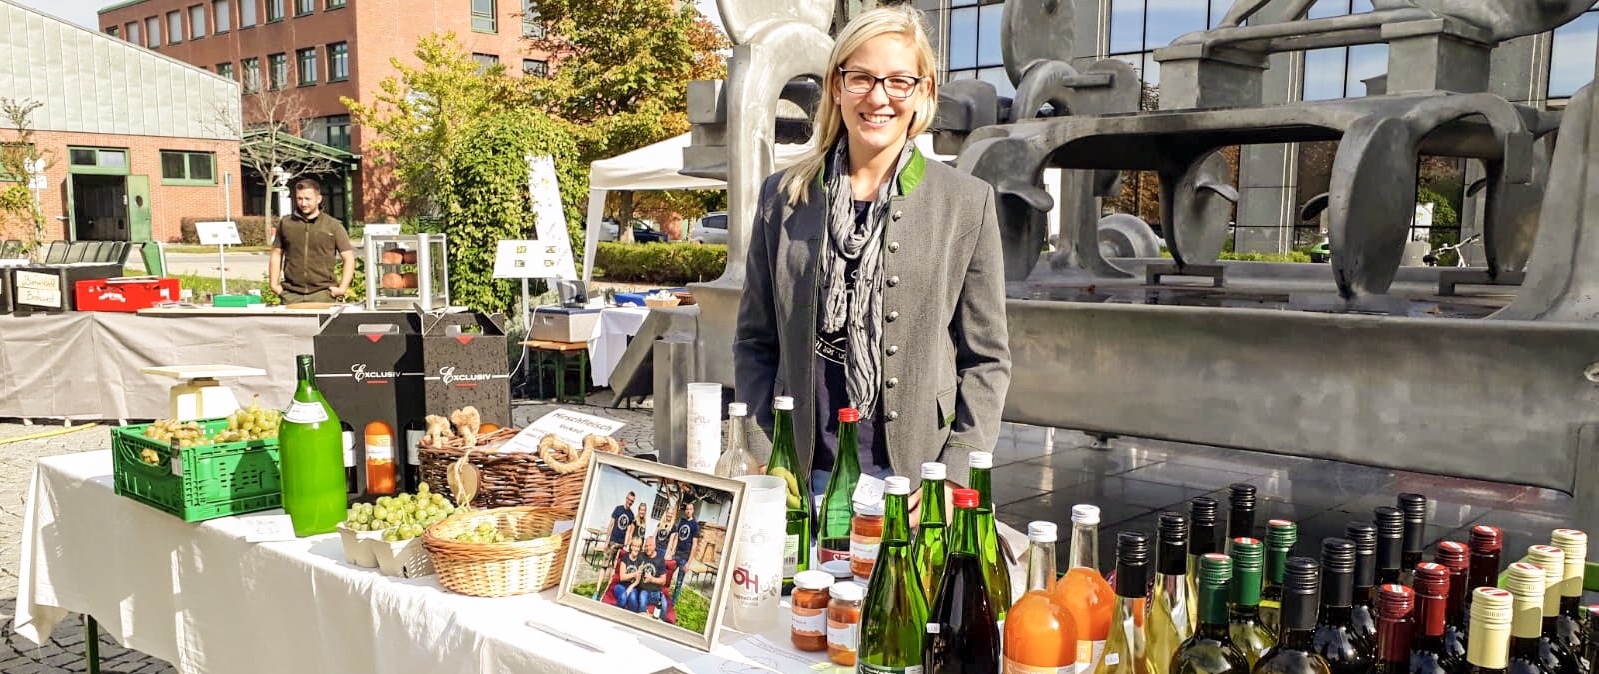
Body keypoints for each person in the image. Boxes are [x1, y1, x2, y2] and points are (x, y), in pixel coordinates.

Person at [733, 6, 1011, 501]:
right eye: (860, 77)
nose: (879, 97)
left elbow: (986, 360)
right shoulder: (784, 196)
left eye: (899, 81)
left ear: (923, 91)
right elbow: (756, 341)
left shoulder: (966, 203)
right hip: (802, 470)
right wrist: (761, 447)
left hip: (918, 478)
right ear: (836, 87)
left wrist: (955, 476)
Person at [268, 178, 355, 304]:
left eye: (308, 199)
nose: (303, 203)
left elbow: (349, 258)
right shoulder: (286, 223)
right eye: (299, 198)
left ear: (318, 199)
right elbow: (276, 253)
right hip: (291, 295)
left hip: (323, 294)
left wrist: (342, 288)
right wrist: (274, 285)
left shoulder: (333, 225)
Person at [665, 501, 702, 625]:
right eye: (686, 509)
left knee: (679, 583)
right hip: (676, 555)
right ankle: (663, 597)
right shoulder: (681, 522)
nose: (688, 511)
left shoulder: (695, 525)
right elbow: (675, 537)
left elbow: (695, 545)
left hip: (685, 558)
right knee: (668, 576)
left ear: (693, 511)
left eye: (690, 509)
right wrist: (672, 551)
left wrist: (689, 563)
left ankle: (672, 604)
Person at [633, 538, 670, 617]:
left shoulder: (660, 559)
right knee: (642, 601)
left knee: (664, 606)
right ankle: (641, 623)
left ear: (654, 546)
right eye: (646, 546)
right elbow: (632, 553)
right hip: (644, 590)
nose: (647, 548)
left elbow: (663, 581)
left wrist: (651, 579)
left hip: (657, 591)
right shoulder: (641, 556)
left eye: (650, 545)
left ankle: (659, 625)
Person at [611, 538, 645, 609]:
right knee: (623, 597)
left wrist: (630, 587)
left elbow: (637, 581)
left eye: (638, 547)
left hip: (633, 587)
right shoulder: (625, 557)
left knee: (632, 599)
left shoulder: (640, 560)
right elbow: (622, 577)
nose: (637, 549)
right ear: (631, 547)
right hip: (621, 586)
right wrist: (634, 574)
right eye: (635, 546)